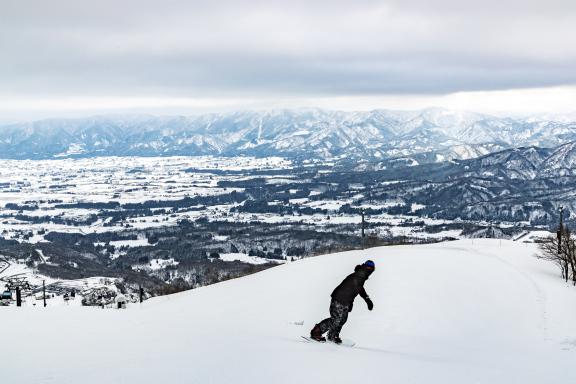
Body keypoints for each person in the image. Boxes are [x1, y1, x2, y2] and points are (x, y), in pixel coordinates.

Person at [310, 260, 375, 344]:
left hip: (345, 301)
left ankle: (332, 335)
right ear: (364, 266)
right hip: (339, 298)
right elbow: (358, 288)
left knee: (342, 319)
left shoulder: (361, 276)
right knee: (336, 319)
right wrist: (366, 300)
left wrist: (364, 299)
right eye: (367, 266)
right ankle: (316, 332)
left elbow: (356, 288)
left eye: (371, 268)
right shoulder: (360, 275)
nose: (369, 268)